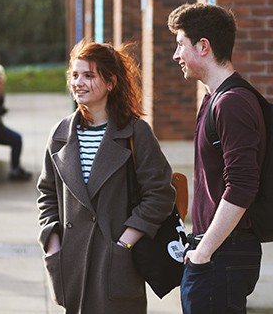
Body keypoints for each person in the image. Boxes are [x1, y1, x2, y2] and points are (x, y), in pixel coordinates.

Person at [37, 40, 176, 314]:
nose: (79, 82)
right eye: (75, 75)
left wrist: (124, 243)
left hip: (116, 265)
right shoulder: (60, 134)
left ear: (110, 82)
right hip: (72, 264)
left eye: (89, 75)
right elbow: (47, 194)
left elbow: (161, 194)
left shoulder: (136, 133)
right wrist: (53, 246)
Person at [168, 3, 267, 313]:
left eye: (180, 44)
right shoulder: (215, 98)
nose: (175, 55)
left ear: (204, 47)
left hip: (223, 255)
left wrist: (204, 252)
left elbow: (241, 187)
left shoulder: (232, 103)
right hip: (217, 252)